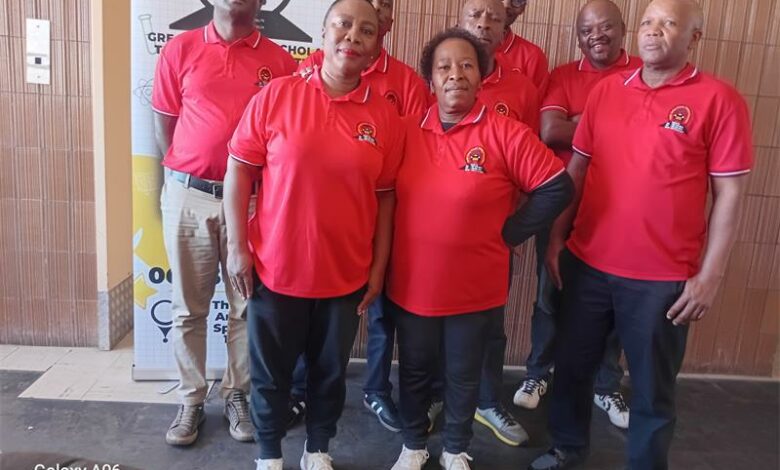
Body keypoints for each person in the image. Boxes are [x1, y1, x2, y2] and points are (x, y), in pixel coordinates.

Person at [528, 1, 753, 469]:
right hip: (587, 264)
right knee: (571, 370)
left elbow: (729, 194)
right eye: (649, 22)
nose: (654, 31)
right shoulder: (607, 93)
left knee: (652, 390)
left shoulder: (719, 99)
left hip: (662, 279)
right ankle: (567, 449)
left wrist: (709, 277)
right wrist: (556, 239)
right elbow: (578, 170)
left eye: (669, 23)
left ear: (693, 38)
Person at [223, 1, 403, 468]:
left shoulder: (384, 117)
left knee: (329, 374)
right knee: (270, 375)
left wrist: (378, 268)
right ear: (323, 33)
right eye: (343, 24)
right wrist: (237, 248)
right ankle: (268, 454)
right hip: (275, 269)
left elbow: (385, 199)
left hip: (344, 277)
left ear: (375, 47)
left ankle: (318, 448)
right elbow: (238, 171)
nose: (353, 36)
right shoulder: (278, 95)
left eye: (366, 30)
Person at [388, 28, 572, 470]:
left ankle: (455, 448)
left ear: (482, 75)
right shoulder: (406, 131)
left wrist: (509, 234)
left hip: (475, 288)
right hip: (413, 284)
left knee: (464, 372)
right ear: (431, 79)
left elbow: (557, 187)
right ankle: (413, 445)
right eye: (444, 67)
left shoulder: (506, 133)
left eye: (466, 65)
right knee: (413, 371)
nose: (455, 74)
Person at [151, 0, 296, 447]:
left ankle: (237, 394)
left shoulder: (281, 62)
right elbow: (165, 124)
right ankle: (191, 398)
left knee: (245, 306)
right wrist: (192, 169)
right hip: (189, 195)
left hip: (252, 203)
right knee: (187, 309)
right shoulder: (179, 49)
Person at [290, 0, 430, 433]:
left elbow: (412, 151)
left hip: (384, 210)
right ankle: (297, 390)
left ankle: (376, 389)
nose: (373, 10)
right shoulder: (314, 66)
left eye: (382, 7)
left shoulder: (406, 81)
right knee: (306, 307)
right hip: (321, 219)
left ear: (388, 21)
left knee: (379, 307)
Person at [512, 0, 641, 431]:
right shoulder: (564, 76)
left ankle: (606, 385)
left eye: (605, 27)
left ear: (623, 29)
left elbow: (650, 134)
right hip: (562, 203)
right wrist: (615, 124)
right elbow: (550, 131)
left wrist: (582, 121)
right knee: (550, 292)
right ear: (578, 36)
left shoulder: (643, 73)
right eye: (587, 30)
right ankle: (538, 373)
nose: (596, 36)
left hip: (622, 210)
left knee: (613, 302)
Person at [451, 0, 540, 448]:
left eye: (494, 18)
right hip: (435, 235)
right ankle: (437, 397)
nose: (484, 24)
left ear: (507, 27)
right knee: (430, 322)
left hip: (493, 237)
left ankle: (487, 401)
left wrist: (514, 229)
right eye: (475, 15)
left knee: (490, 324)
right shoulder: (436, 78)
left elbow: (533, 169)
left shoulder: (521, 88)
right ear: (460, 20)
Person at [498, 0, 549, 94]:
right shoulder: (468, 48)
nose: (506, 5)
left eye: (517, 1)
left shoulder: (532, 56)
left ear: (523, 8)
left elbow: (536, 101)